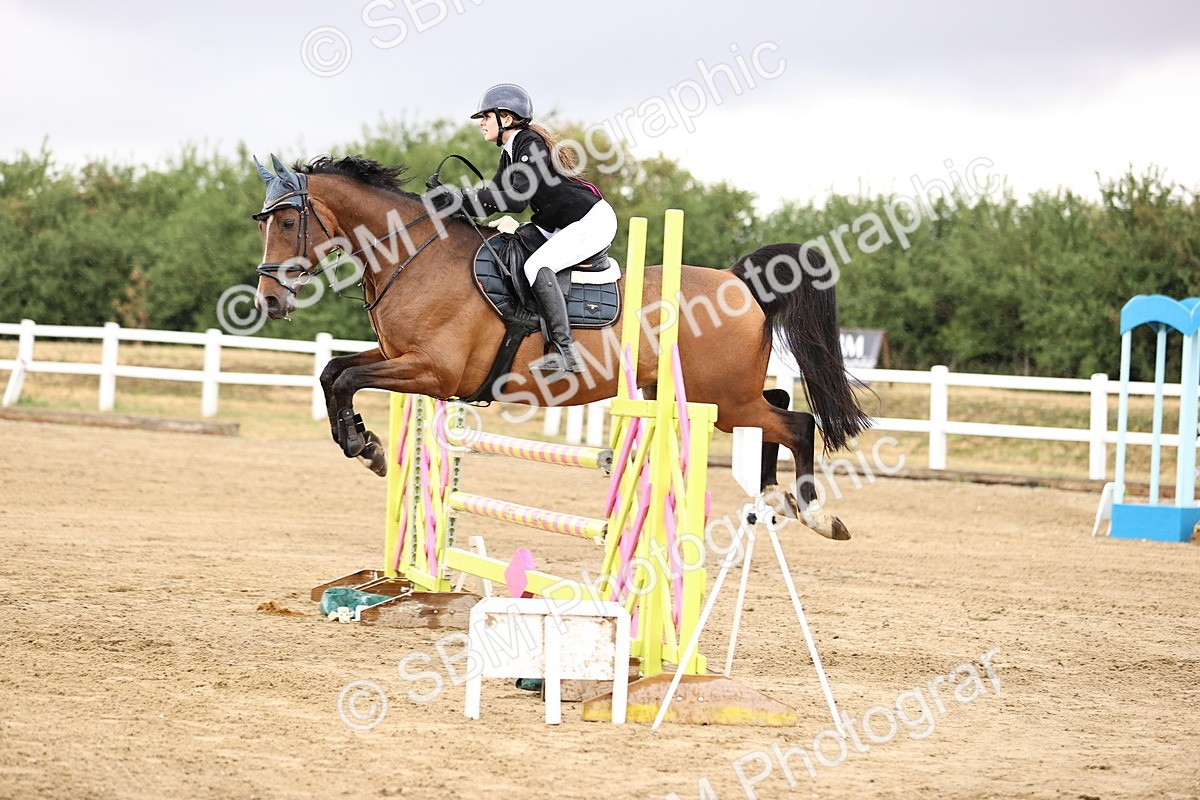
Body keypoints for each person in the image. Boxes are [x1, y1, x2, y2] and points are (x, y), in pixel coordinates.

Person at [429, 83, 617, 376]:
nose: (481, 123)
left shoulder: (530, 144)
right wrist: (455, 203)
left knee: (537, 265)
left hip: (589, 221)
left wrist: (464, 196)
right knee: (506, 246)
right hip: (558, 224)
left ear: (505, 118)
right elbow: (493, 196)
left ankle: (566, 351)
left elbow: (516, 200)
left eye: (485, 118)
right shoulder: (511, 151)